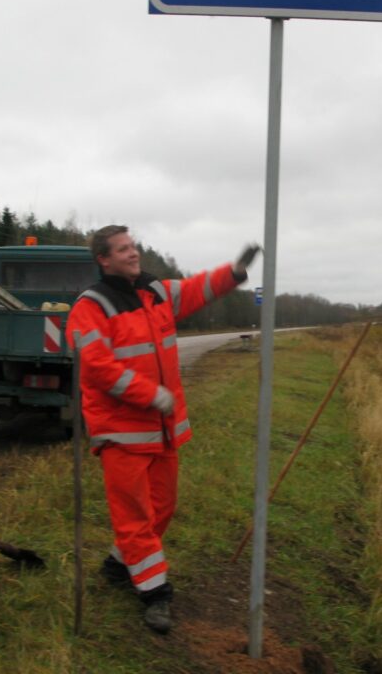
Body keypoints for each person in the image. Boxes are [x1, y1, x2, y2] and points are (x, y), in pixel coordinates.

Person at [65, 225, 259, 634]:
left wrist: (234, 272)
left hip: (162, 431)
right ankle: (155, 593)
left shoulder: (155, 291)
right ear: (104, 258)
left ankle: (119, 565)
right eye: (123, 249)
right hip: (121, 433)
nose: (133, 254)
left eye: (133, 246)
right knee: (135, 516)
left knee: (162, 507)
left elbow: (193, 290)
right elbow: (97, 367)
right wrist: (148, 395)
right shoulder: (91, 306)